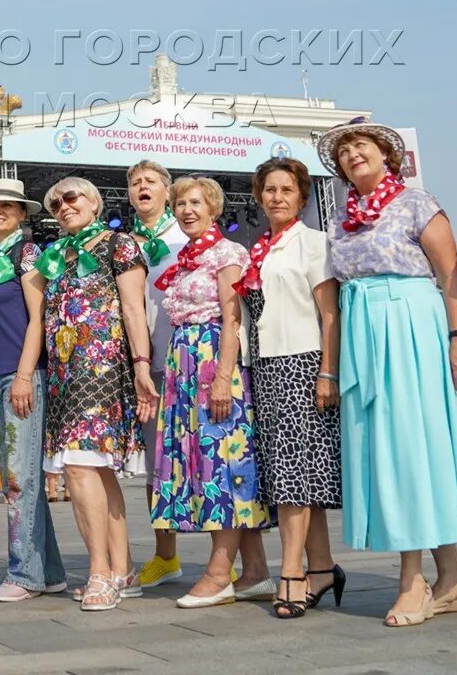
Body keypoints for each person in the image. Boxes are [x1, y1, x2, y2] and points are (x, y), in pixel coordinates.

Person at [319, 119, 457, 627]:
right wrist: (332, 368)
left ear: (387, 155)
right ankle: (452, 577)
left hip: (413, 327)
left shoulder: (417, 203)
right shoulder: (340, 218)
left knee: (411, 446)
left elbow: (452, 275)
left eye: (363, 145)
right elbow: (334, 295)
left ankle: (412, 580)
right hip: (364, 330)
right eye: (345, 151)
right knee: (389, 448)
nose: (353, 154)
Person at [149, 175, 272, 609]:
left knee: (223, 462)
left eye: (196, 203)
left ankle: (220, 572)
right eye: (181, 203)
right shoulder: (183, 259)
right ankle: (255, 571)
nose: (187, 210)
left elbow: (232, 318)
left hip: (214, 364)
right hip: (183, 365)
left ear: (214, 209)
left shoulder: (227, 252)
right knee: (209, 462)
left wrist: (223, 376)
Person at [39, 176, 156, 611]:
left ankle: (100, 572)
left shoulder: (118, 244)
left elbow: (132, 307)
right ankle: (123, 569)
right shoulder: (59, 255)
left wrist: (141, 365)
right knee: (98, 470)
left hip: (102, 368)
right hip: (65, 375)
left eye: (71, 198)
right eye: (56, 204)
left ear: (93, 203)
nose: (64, 206)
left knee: (78, 465)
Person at [243, 158, 345, 619]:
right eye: (269, 189)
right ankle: (321, 567)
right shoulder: (259, 247)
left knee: (292, 478)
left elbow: (329, 314)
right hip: (266, 366)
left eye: (287, 189)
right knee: (298, 474)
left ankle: (291, 573)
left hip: (302, 364)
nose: (277, 197)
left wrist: (328, 371)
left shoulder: (314, 243)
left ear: (303, 198)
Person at [0, 178, 68, 603]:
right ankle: (51, 571)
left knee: (18, 478)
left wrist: (25, 375)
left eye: (8, 206)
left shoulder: (28, 254)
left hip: (22, 376)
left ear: (23, 213)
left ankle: (23, 573)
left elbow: (37, 319)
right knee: (19, 476)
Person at [123, 159, 191, 591]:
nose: (141, 187)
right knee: (156, 464)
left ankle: (238, 557)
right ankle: (166, 556)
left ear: (167, 191)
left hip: (188, 357)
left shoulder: (187, 233)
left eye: (150, 181)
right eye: (134, 183)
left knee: (207, 455)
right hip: (146, 363)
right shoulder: (125, 243)